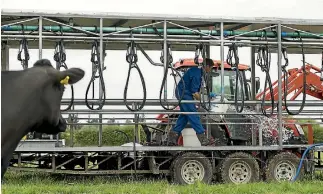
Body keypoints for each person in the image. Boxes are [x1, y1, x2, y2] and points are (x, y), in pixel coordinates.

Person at [167, 58, 215, 146]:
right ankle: (202, 138)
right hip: (184, 94)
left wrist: (208, 95)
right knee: (193, 114)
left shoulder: (198, 72)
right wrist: (202, 101)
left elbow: (196, 89)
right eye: (211, 68)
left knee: (185, 116)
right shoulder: (197, 74)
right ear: (207, 66)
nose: (210, 70)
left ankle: (172, 137)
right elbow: (194, 92)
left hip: (183, 92)